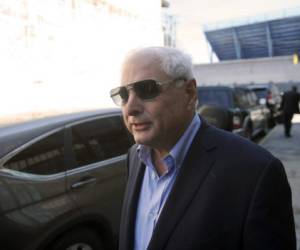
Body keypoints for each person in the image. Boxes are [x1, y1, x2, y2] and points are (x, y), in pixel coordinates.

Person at [110, 47, 296, 250]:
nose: (130, 108)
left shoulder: (255, 171)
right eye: (123, 95)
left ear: (189, 93)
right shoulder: (135, 158)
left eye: (146, 89)